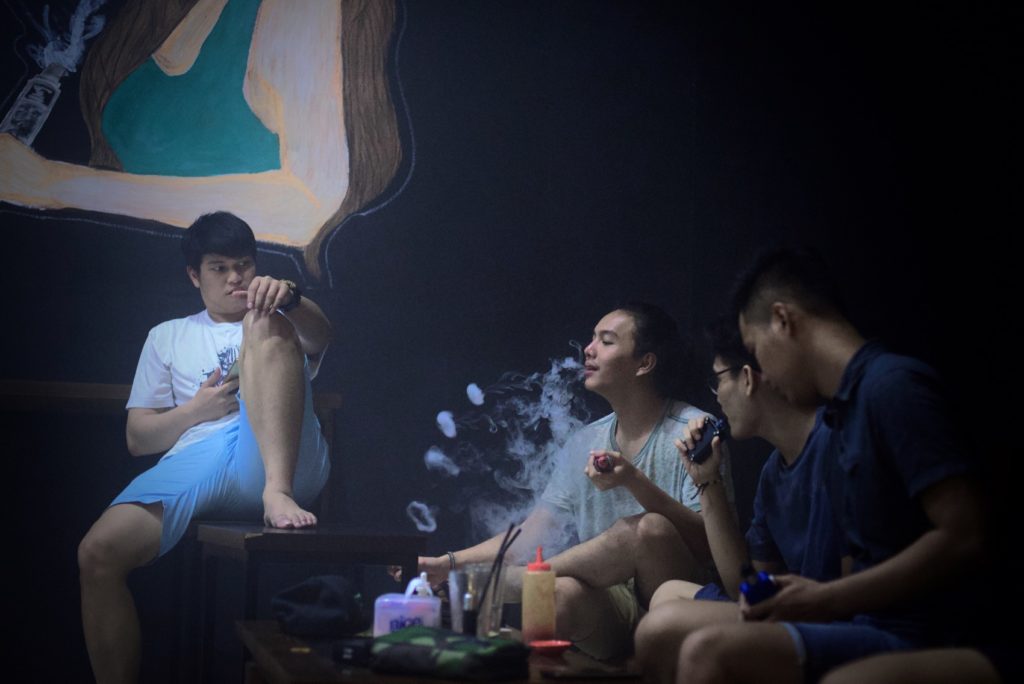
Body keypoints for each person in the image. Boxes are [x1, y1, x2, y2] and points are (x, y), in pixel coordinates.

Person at [673, 248, 987, 683]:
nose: (759, 370)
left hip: (930, 634)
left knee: (708, 652)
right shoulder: (846, 413)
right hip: (869, 626)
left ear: (783, 320)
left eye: (756, 349)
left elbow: (965, 535)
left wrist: (825, 599)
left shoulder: (892, 386)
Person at [76, 211, 333, 684]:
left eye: (244, 265)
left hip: (282, 458)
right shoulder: (167, 336)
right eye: (219, 267)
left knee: (265, 320)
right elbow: (138, 439)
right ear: (195, 275)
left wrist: (292, 299)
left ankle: (276, 490)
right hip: (202, 455)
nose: (236, 277)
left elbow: (321, 336)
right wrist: (197, 410)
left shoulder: (279, 311)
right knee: (97, 552)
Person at [418, 303, 726, 660]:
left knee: (649, 529)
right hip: (612, 610)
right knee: (556, 594)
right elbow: (530, 534)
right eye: (592, 338)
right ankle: (512, 603)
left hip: (682, 607)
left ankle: (504, 585)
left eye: (606, 341)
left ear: (645, 363)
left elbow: (709, 546)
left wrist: (634, 480)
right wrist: (448, 563)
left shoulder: (694, 431)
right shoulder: (585, 442)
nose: (588, 349)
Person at [0, 0, 401, 273]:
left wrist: (53, 185)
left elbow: (309, 203)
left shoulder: (298, 9)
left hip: (230, 313)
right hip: (126, 280)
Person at [633, 315, 847, 683]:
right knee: (668, 594)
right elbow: (743, 587)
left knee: (659, 627)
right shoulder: (772, 474)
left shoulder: (838, 446)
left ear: (747, 378)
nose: (716, 399)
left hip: (834, 615)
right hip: (788, 610)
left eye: (718, 381)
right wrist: (707, 480)